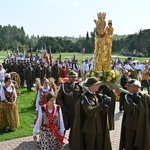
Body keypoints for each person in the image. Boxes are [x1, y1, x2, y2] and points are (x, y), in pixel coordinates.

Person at [71, 77, 112, 150]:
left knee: (99, 147)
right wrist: (102, 104)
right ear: (91, 86)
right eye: (96, 85)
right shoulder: (84, 97)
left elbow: (102, 111)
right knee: (90, 147)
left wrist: (106, 103)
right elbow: (89, 111)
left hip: (99, 127)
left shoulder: (97, 95)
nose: (98, 86)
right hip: (89, 129)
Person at [119, 79, 150, 150]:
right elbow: (127, 109)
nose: (127, 87)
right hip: (131, 125)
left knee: (140, 143)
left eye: (129, 86)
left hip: (141, 125)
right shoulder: (127, 96)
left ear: (136, 87)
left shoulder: (144, 96)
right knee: (129, 144)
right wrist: (134, 102)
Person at [56, 70, 83, 146]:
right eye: (72, 77)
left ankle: (72, 142)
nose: (73, 79)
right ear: (68, 77)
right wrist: (63, 107)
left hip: (74, 112)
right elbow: (59, 98)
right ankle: (60, 141)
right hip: (65, 111)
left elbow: (81, 98)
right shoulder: (64, 86)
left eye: (74, 77)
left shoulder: (78, 87)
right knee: (63, 127)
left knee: (73, 128)